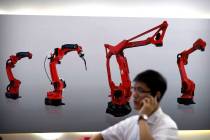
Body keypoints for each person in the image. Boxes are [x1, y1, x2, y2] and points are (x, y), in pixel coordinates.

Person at [91, 69, 178, 140]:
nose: (134, 95)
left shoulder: (168, 125)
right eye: (134, 89)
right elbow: (101, 136)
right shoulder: (131, 122)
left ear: (156, 95)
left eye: (140, 90)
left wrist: (142, 118)